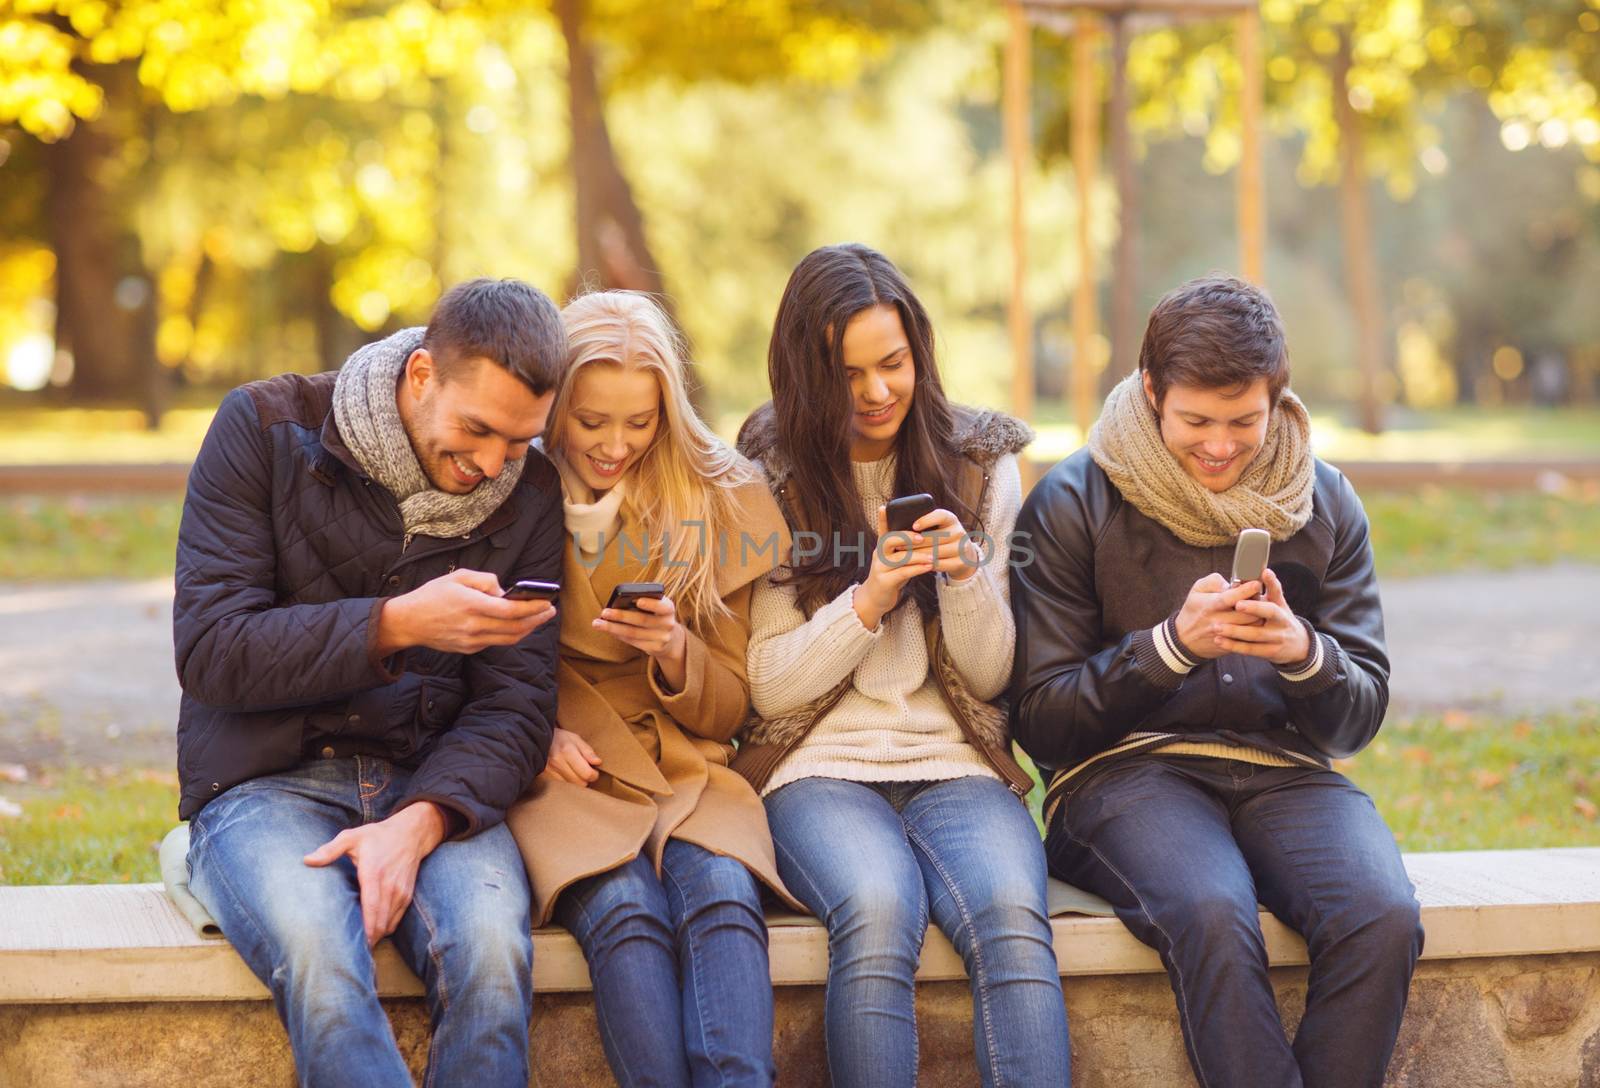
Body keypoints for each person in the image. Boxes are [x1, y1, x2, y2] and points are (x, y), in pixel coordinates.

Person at [1011, 273, 1423, 1088]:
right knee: (1208, 909)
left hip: (1286, 771)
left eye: (1243, 421)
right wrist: (1166, 648)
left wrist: (1305, 653)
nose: (1221, 446)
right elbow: (1040, 721)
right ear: (1153, 392)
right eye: (1196, 421)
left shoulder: (1325, 501)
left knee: (1382, 916)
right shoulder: (1072, 499)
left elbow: (1359, 714)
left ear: (1278, 397)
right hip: (1124, 775)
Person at [177, 278, 567, 1088]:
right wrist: (395, 624)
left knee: (493, 959)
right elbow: (212, 650)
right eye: (479, 429)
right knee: (323, 956)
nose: (494, 464)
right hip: (263, 784)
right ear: (422, 375)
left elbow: (517, 709)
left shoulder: (529, 495)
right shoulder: (263, 428)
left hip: (432, 789)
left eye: (520, 441)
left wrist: (418, 824)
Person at [735, 243, 1072, 1088]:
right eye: (850, 375)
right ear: (807, 376)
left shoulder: (980, 461)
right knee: (879, 913)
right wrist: (870, 598)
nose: (879, 392)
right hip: (817, 769)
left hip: (956, 761)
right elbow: (770, 683)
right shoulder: (767, 474)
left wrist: (961, 577)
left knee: (1012, 918)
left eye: (894, 364)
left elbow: (991, 677)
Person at [505, 290, 799, 1088]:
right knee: (625, 914)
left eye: (640, 422)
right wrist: (530, 737)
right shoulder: (504, 484)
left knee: (723, 900)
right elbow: (465, 666)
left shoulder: (716, 494)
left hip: (685, 766)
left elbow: (732, 704)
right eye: (592, 420)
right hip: (566, 768)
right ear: (556, 403)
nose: (614, 445)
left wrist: (674, 648)